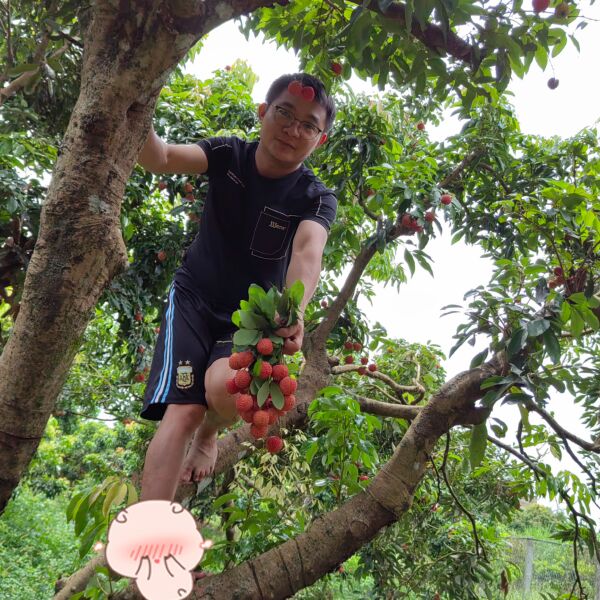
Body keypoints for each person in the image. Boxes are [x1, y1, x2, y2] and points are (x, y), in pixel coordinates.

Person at [136, 73, 337, 501]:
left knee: (228, 389)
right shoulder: (229, 153)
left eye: (308, 124)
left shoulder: (315, 197)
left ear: (319, 141)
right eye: (285, 112)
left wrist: (295, 310)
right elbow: (162, 157)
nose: (292, 128)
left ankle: (211, 431)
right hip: (192, 299)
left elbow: (307, 250)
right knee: (183, 409)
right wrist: (136, 101)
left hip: (251, 319)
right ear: (263, 112)